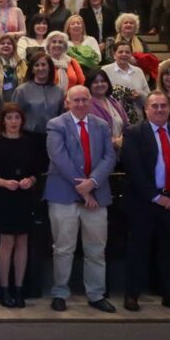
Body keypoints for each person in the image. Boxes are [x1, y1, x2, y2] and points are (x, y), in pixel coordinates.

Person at [43, 85, 117, 313]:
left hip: (97, 195)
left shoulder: (102, 125)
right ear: (67, 102)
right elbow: (59, 158)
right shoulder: (56, 125)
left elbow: (109, 156)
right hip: (64, 195)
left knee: (96, 249)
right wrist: (84, 190)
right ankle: (59, 292)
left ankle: (95, 294)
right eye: (76, 100)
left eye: (85, 99)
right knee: (63, 248)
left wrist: (92, 182)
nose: (81, 104)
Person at [120, 91, 170, 314]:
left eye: (163, 106)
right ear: (146, 109)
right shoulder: (133, 133)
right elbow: (133, 170)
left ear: (169, 109)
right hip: (144, 203)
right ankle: (132, 294)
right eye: (155, 106)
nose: (160, 109)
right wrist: (156, 197)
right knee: (138, 250)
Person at [0, 103, 44, 308]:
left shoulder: (29, 142)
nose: (13, 122)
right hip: (4, 197)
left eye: (16, 118)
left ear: (22, 120)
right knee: (7, 242)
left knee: (22, 242)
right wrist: (3, 182)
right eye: (9, 118)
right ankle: (4, 288)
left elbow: (37, 172)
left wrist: (30, 180)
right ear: (3, 121)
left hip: (24, 197)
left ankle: (19, 288)